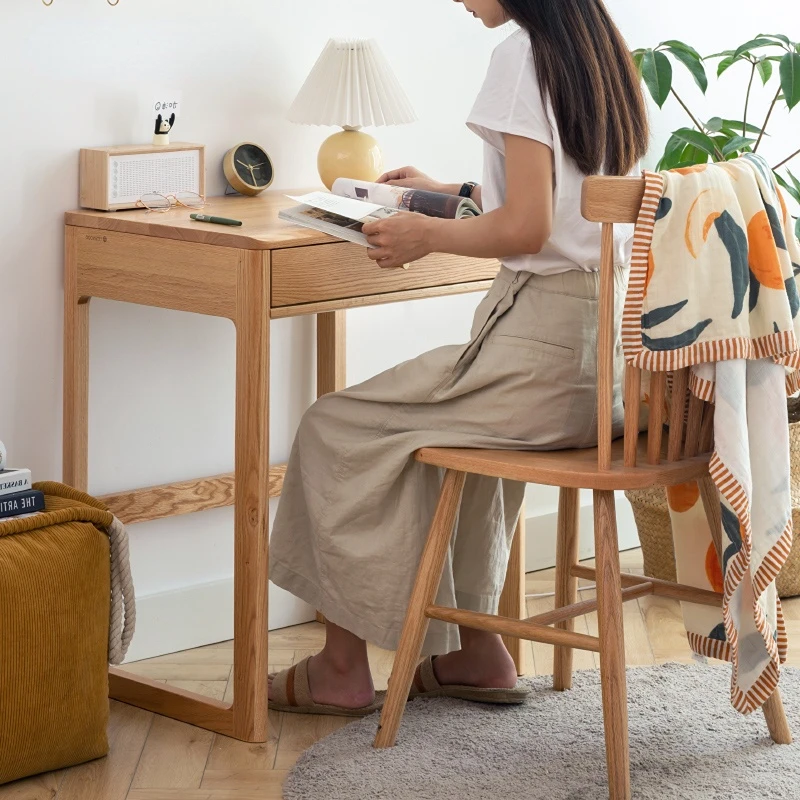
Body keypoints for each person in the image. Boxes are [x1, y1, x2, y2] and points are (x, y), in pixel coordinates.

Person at [268, 0, 649, 715]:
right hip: (603, 367)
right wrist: (458, 195)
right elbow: (564, 205)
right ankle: (476, 652)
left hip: (541, 352)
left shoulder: (520, 54)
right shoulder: (598, 48)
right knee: (444, 434)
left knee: (336, 427)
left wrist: (423, 236)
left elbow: (531, 228)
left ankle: (341, 670)